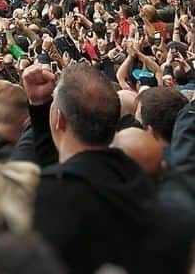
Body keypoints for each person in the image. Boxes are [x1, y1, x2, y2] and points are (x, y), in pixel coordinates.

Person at [18, 62, 154, 274]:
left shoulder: (53, 196)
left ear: (59, 119)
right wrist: (41, 105)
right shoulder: (136, 176)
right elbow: (65, 165)